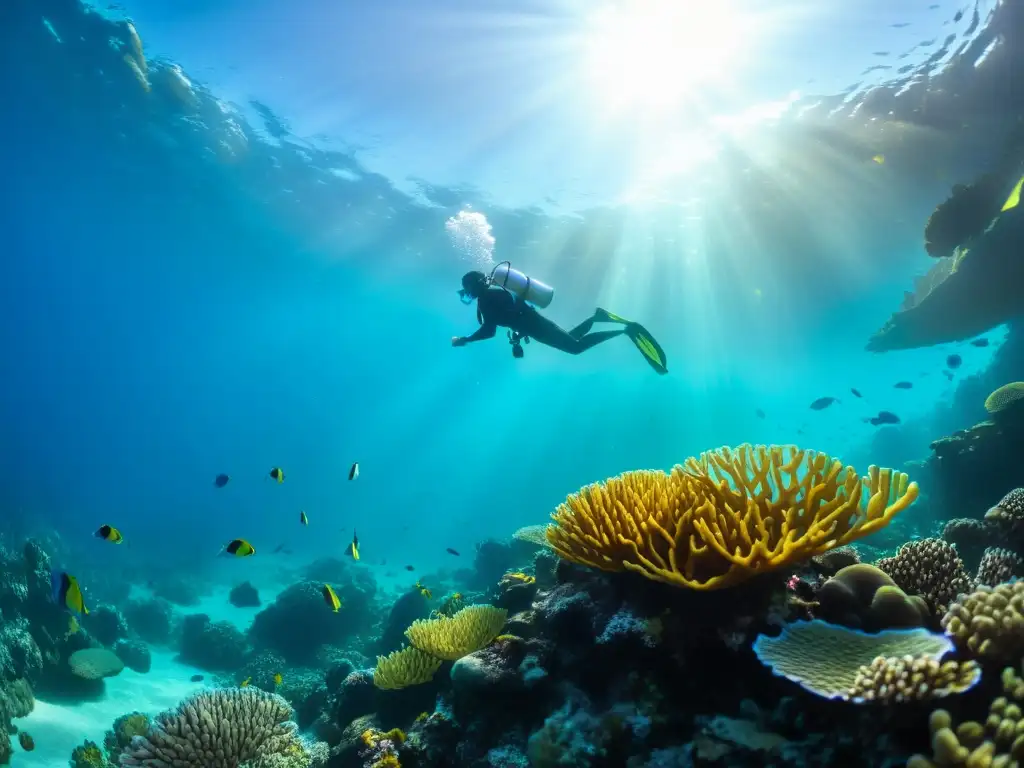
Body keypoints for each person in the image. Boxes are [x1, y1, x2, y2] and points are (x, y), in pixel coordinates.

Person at [451, 270, 668, 374]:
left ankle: (624, 330)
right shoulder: (496, 293)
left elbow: (490, 329)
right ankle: (597, 317)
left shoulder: (486, 299)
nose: (466, 291)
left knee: (575, 347)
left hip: (536, 327)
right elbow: (512, 315)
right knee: (572, 338)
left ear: (475, 285)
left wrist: (466, 339)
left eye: (467, 286)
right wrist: (516, 339)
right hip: (536, 324)